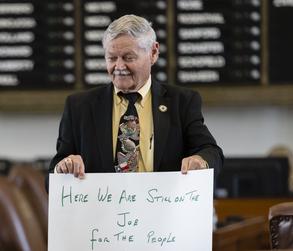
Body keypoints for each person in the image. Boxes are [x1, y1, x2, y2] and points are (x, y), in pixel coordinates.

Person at [47, 14, 223, 183]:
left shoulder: (182, 102)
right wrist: (62, 168)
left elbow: (211, 151)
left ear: (153, 53)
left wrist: (200, 160)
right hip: (103, 210)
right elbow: (54, 172)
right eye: (112, 58)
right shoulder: (79, 106)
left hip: (162, 209)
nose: (119, 66)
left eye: (128, 57)